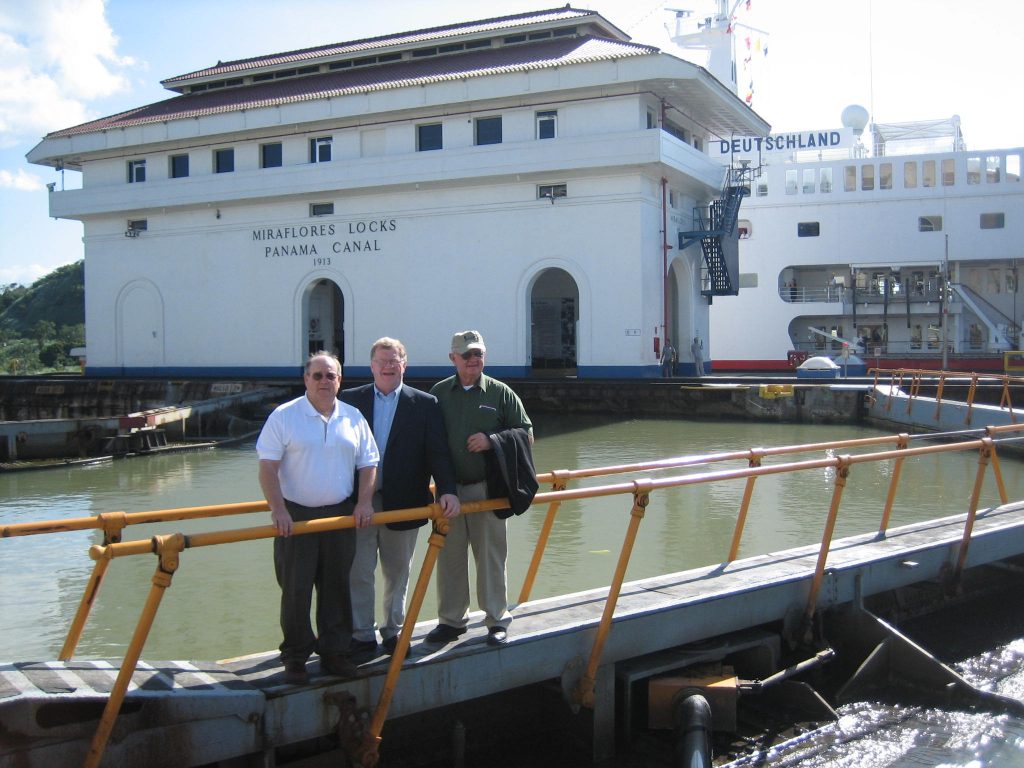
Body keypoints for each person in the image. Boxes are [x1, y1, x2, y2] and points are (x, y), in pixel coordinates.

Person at [256, 351, 379, 685]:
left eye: (332, 376)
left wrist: (363, 503)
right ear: (306, 379)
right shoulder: (285, 416)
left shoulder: (352, 417)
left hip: (340, 515)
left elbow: (369, 463)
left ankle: (335, 652)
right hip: (296, 516)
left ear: (340, 380)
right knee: (295, 589)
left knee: (337, 587)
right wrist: (278, 509)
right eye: (318, 376)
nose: (325, 381)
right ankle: (296, 656)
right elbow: (267, 467)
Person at [340, 338, 460, 656]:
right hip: (360, 501)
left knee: (398, 570)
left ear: (404, 365)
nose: (389, 367)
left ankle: (393, 631)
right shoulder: (350, 401)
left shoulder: (424, 404)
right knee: (359, 569)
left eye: (395, 361)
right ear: (372, 366)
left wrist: (447, 489)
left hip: (405, 500)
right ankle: (362, 634)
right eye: (382, 361)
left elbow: (438, 453)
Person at [427, 330, 533, 647]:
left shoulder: (501, 393)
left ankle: (497, 620)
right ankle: (451, 621)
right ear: (453, 358)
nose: (474, 360)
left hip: (487, 490)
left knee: (491, 558)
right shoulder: (439, 394)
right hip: (448, 491)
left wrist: (492, 440)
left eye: (479, 354)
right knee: (449, 557)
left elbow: (526, 434)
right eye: (467, 355)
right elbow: (429, 441)